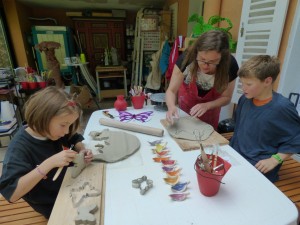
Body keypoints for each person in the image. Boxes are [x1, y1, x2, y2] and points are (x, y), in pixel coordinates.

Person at [0, 86, 93, 218]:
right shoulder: (19, 148)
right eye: (63, 125)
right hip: (52, 204)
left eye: (69, 125)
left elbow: (73, 137)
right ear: (43, 117)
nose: (66, 131)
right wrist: (49, 163)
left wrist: (82, 150)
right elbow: (11, 193)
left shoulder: (53, 131)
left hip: (69, 187)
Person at [230, 55, 300, 182]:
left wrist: (275, 159)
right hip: (236, 157)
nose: (243, 88)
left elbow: (297, 138)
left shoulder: (282, 107)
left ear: (267, 81)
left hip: (259, 166)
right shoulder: (245, 99)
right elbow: (239, 129)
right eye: (242, 83)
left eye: (249, 84)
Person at [166, 30, 239, 129]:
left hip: (210, 111)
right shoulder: (187, 58)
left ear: (222, 58)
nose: (205, 65)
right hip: (186, 107)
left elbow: (226, 98)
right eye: (202, 59)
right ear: (197, 52)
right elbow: (171, 90)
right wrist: (171, 107)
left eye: (212, 62)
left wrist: (207, 105)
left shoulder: (230, 65)